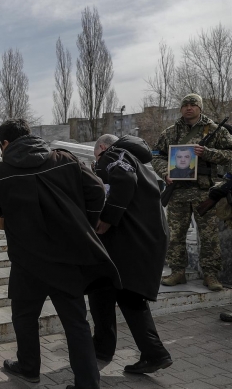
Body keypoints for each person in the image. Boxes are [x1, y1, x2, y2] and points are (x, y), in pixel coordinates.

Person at [0, 119, 120, 389]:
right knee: (76, 322)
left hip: (26, 259)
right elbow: (97, 192)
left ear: (5, 144)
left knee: (24, 316)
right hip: (66, 256)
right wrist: (84, 224)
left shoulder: (0, 172)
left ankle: (29, 367)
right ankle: (87, 383)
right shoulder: (65, 160)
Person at [91, 134, 172, 373]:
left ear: (102, 148)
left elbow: (123, 181)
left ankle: (152, 353)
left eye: (97, 159)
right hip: (141, 239)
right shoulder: (139, 163)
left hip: (129, 241)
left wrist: (106, 218)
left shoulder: (114, 155)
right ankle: (106, 348)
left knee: (118, 294)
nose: (98, 166)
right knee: (110, 292)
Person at [153, 94, 232, 291]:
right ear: (181, 108)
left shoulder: (215, 130)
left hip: (205, 191)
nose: (189, 108)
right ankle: (178, 271)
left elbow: (230, 154)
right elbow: (156, 156)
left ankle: (211, 274)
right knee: (176, 234)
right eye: (185, 105)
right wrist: (165, 172)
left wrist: (206, 153)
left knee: (209, 235)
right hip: (178, 191)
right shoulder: (170, 132)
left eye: (193, 104)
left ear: (200, 107)